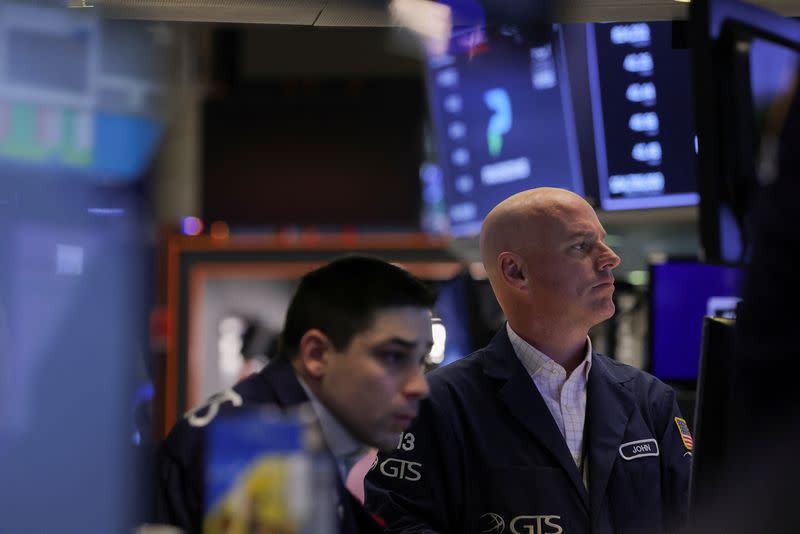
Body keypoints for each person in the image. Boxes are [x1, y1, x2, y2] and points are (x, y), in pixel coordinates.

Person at [364, 188, 691, 534]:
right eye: (581, 246)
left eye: (603, 242)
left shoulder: (650, 400)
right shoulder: (435, 406)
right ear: (515, 271)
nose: (610, 258)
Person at [155, 255, 436, 534]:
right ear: (317, 354)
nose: (419, 387)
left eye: (421, 360)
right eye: (394, 356)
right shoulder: (259, 443)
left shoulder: (291, 428)